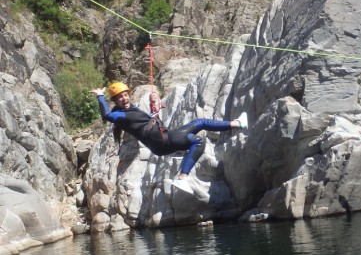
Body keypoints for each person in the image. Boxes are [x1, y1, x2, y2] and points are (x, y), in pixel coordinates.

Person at [91, 82, 248, 193]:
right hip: (163, 139)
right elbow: (107, 115)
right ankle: (182, 177)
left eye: (126, 95)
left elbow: (149, 120)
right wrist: (100, 96)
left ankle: (237, 123)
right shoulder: (121, 115)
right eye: (120, 97)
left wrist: (154, 104)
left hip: (162, 140)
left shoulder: (132, 110)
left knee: (200, 123)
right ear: (115, 101)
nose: (124, 98)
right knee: (199, 141)